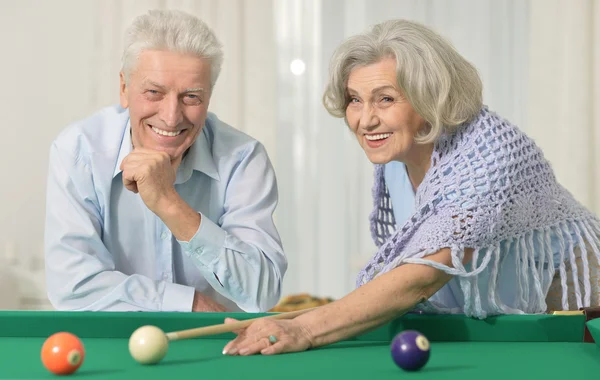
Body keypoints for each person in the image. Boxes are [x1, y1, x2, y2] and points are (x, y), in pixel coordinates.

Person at [222, 19, 600, 356]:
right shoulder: (398, 155)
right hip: (513, 317)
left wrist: (303, 327)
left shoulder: (491, 154)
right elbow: (410, 269)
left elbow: (423, 274)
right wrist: (301, 316)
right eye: (355, 100)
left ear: (430, 96)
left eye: (385, 99)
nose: (366, 120)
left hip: (579, 309)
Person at [44, 9, 287, 313]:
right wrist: (189, 303)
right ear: (124, 89)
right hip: (113, 343)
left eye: (191, 97)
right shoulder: (78, 152)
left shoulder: (243, 159)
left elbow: (261, 291)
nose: (171, 117)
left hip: (216, 348)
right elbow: (72, 286)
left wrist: (168, 203)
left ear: (209, 98)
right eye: (154, 92)